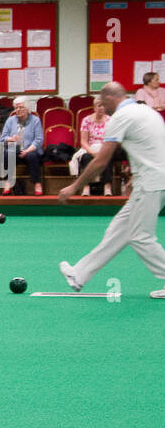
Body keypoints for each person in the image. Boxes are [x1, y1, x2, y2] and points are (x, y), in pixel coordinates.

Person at [58, 82, 165, 298]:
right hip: (153, 179)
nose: (101, 107)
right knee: (120, 228)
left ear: (108, 98)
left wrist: (74, 186)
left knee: (140, 236)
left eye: (101, 102)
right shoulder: (145, 111)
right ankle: (79, 274)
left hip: (151, 182)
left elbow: (101, 161)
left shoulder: (120, 117)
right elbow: (150, 146)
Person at [72, 97, 116, 195]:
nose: (101, 108)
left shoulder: (110, 120)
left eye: (103, 106)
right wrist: (92, 152)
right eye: (99, 106)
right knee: (86, 157)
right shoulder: (86, 120)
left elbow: (111, 140)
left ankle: (107, 186)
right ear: (94, 107)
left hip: (105, 147)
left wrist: (102, 151)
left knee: (106, 156)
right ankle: (86, 186)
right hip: (90, 148)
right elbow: (83, 141)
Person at [0, 98, 44, 194]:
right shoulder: (10, 120)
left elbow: (39, 140)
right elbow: (2, 138)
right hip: (14, 149)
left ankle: (37, 183)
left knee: (32, 156)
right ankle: (8, 182)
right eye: (16, 108)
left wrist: (27, 151)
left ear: (27, 108)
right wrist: (10, 139)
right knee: (7, 153)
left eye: (21, 107)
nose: (18, 110)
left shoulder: (35, 120)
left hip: (30, 149)